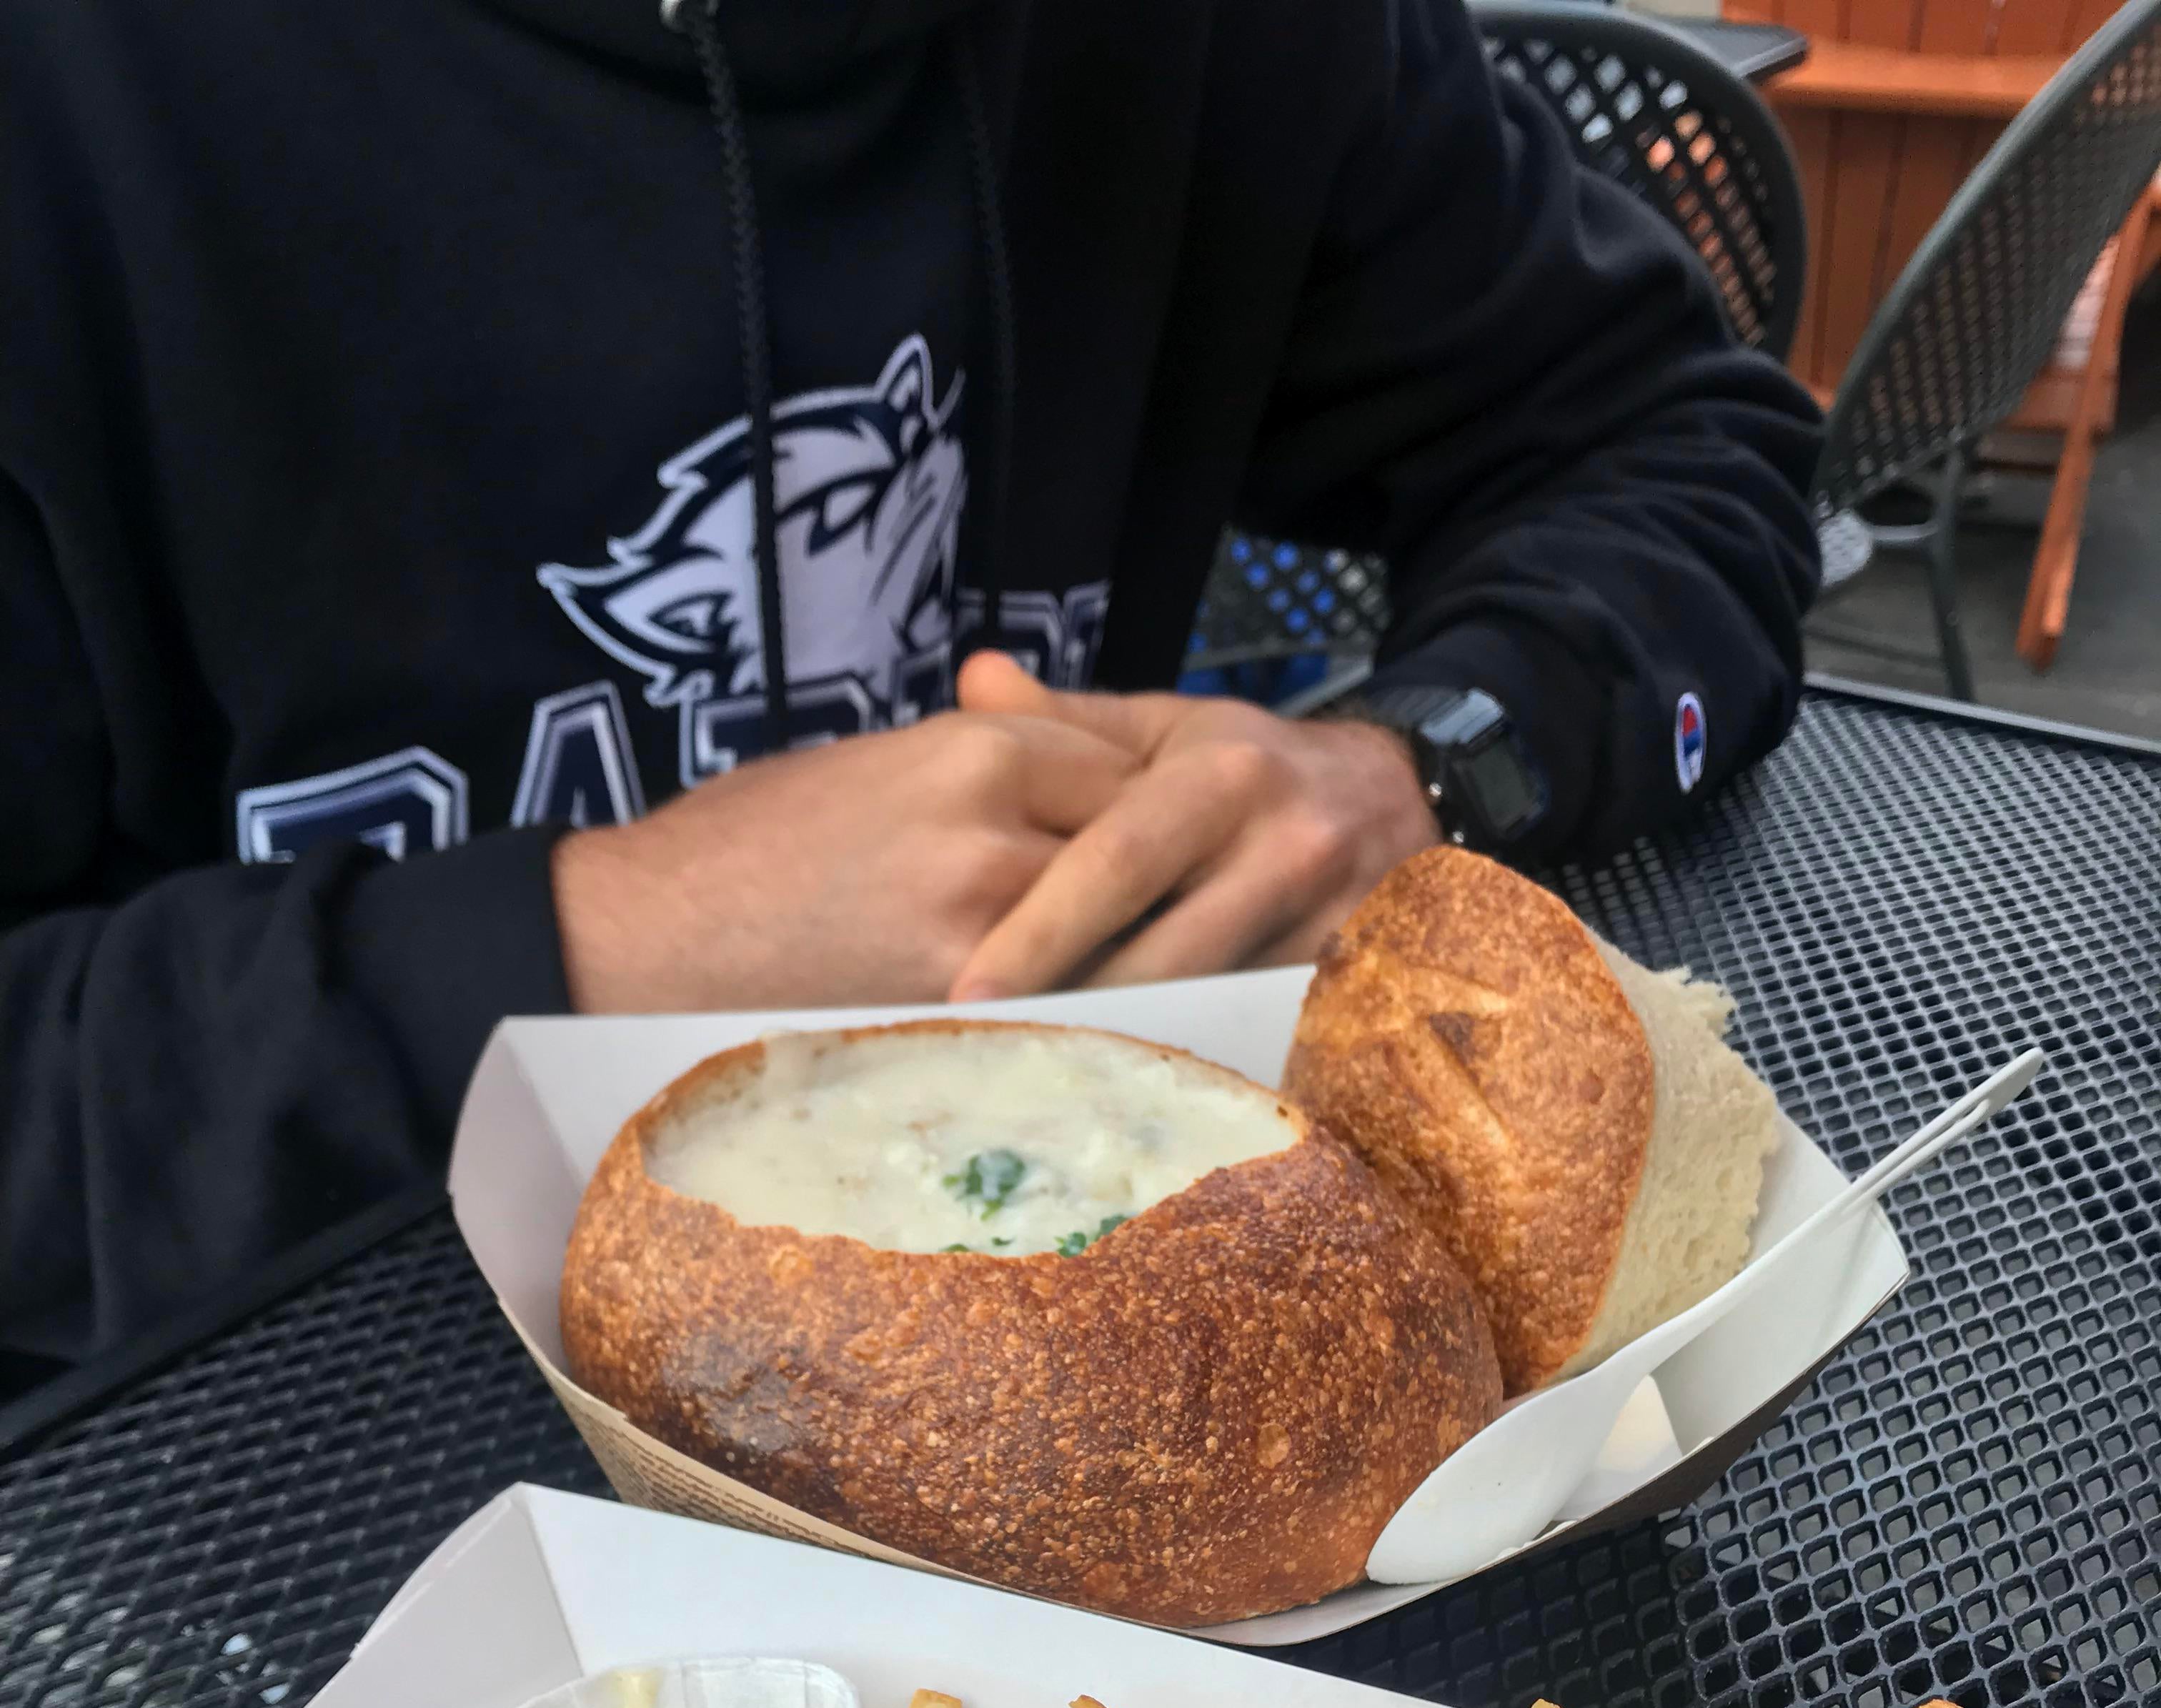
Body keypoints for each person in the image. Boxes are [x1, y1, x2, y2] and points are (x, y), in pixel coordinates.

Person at [0, 0, 1822, 1379]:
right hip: (286, 1442)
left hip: (1152, 1370)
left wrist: (1424, 768)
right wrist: (596, 937)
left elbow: (1682, 446)